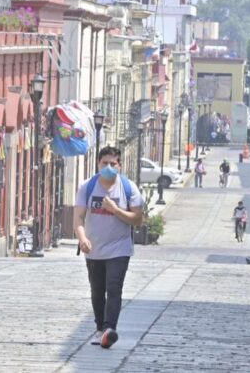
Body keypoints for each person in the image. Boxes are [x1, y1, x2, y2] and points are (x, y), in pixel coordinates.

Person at [74, 146, 144, 349]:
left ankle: (109, 329)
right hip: (94, 248)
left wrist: (115, 210)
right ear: (98, 164)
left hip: (119, 248)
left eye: (113, 164)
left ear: (119, 165)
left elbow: (138, 220)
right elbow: (78, 217)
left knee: (114, 288)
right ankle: (99, 328)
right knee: (97, 291)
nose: (108, 167)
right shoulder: (87, 187)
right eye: (104, 163)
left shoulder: (129, 188)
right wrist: (82, 238)